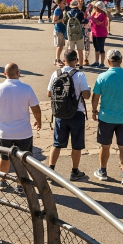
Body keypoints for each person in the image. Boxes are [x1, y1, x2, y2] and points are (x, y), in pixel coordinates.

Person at [0, 63, 42, 192]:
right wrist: (39, 122)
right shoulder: (27, 88)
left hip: (4, 133)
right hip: (24, 133)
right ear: (18, 73)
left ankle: (2, 181)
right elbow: (36, 109)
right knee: (23, 160)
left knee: (4, 158)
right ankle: (20, 184)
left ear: (4, 74)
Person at [91, 49, 123, 186]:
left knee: (105, 146)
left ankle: (103, 171)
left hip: (106, 117)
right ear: (121, 61)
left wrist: (94, 110)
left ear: (108, 61)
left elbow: (95, 97)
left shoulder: (102, 77)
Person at [47, 49, 90, 181]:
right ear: (76, 60)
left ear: (64, 60)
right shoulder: (80, 75)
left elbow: (49, 94)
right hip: (76, 114)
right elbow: (86, 96)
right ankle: (74, 172)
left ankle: (51, 170)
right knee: (76, 145)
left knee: (57, 144)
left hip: (60, 113)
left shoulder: (56, 73)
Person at [64, 0, 86, 68]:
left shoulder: (67, 13)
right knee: (80, 50)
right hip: (79, 34)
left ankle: (72, 65)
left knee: (71, 51)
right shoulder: (80, 13)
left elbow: (64, 22)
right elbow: (83, 21)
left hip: (70, 34)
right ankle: (81, 65)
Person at [88, 1, 110, 67]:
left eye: (95, 7)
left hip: (101, 34)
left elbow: (98, 22)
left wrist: (91, 17)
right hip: (94, 33)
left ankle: (102, 63)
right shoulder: (95, 13)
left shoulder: (102, 14)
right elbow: (90, 18)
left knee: (101, 48)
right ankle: (96, 61)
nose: (94, 8)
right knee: (96, 48)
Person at [52, 0, 68, 66]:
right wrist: (61, 20)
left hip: (63, 29)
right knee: (59, 46)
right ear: (59, 2)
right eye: (63, 1)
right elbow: (54, 21)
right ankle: (57, 60)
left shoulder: (64, 9)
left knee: (61, 46)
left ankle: (58, 59)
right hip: (58, 30)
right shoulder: (57, 10)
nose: (65, 2)